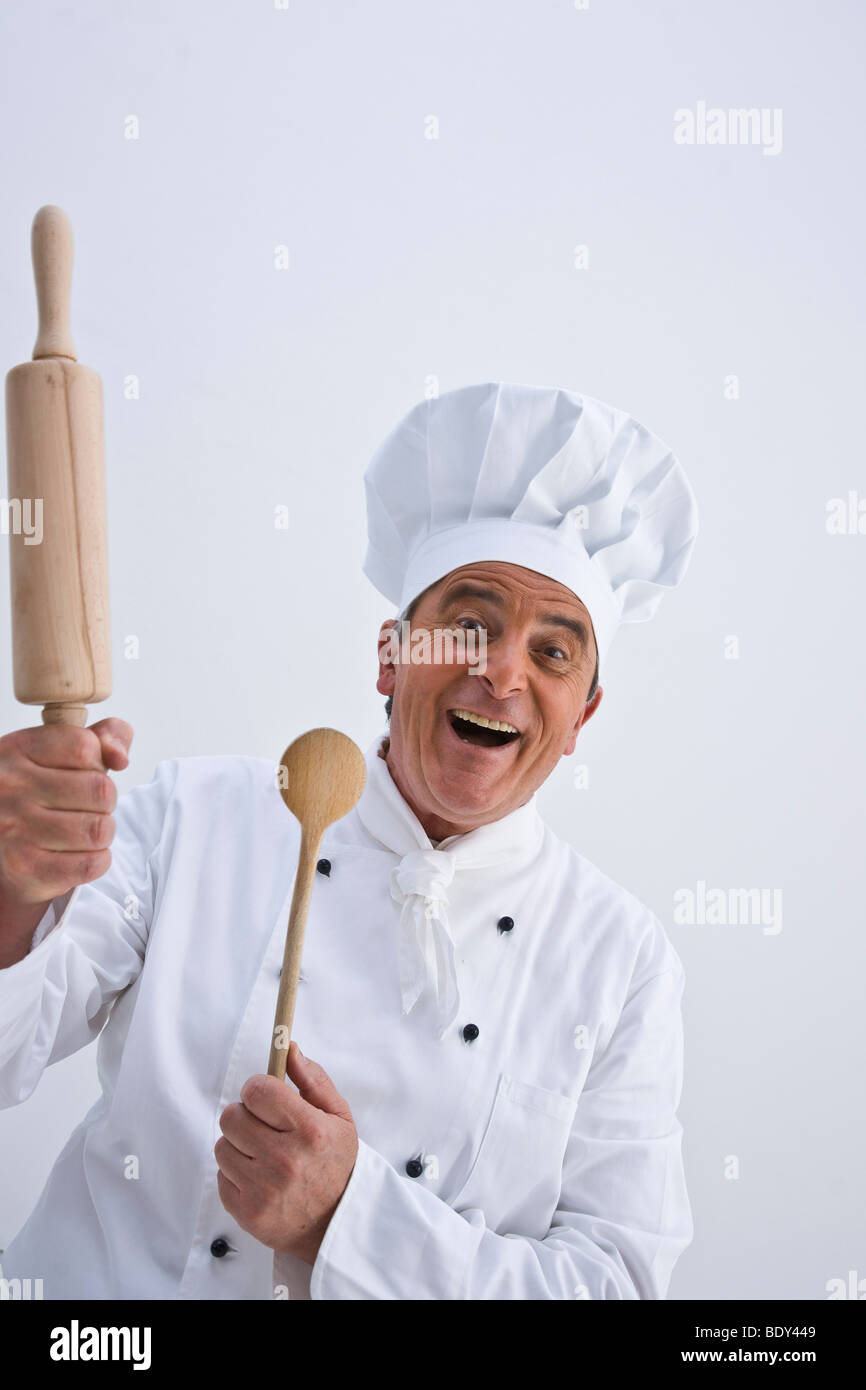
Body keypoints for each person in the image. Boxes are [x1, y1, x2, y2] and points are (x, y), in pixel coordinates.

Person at [0, 380, 698, 1300]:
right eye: (469, 625)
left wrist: (348, 1219)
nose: (500, 673)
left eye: (553, 652)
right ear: (391, 654)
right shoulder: (195, 818)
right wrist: (14, 888)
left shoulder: (620, 959)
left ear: (582, 717)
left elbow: (616, 1286)